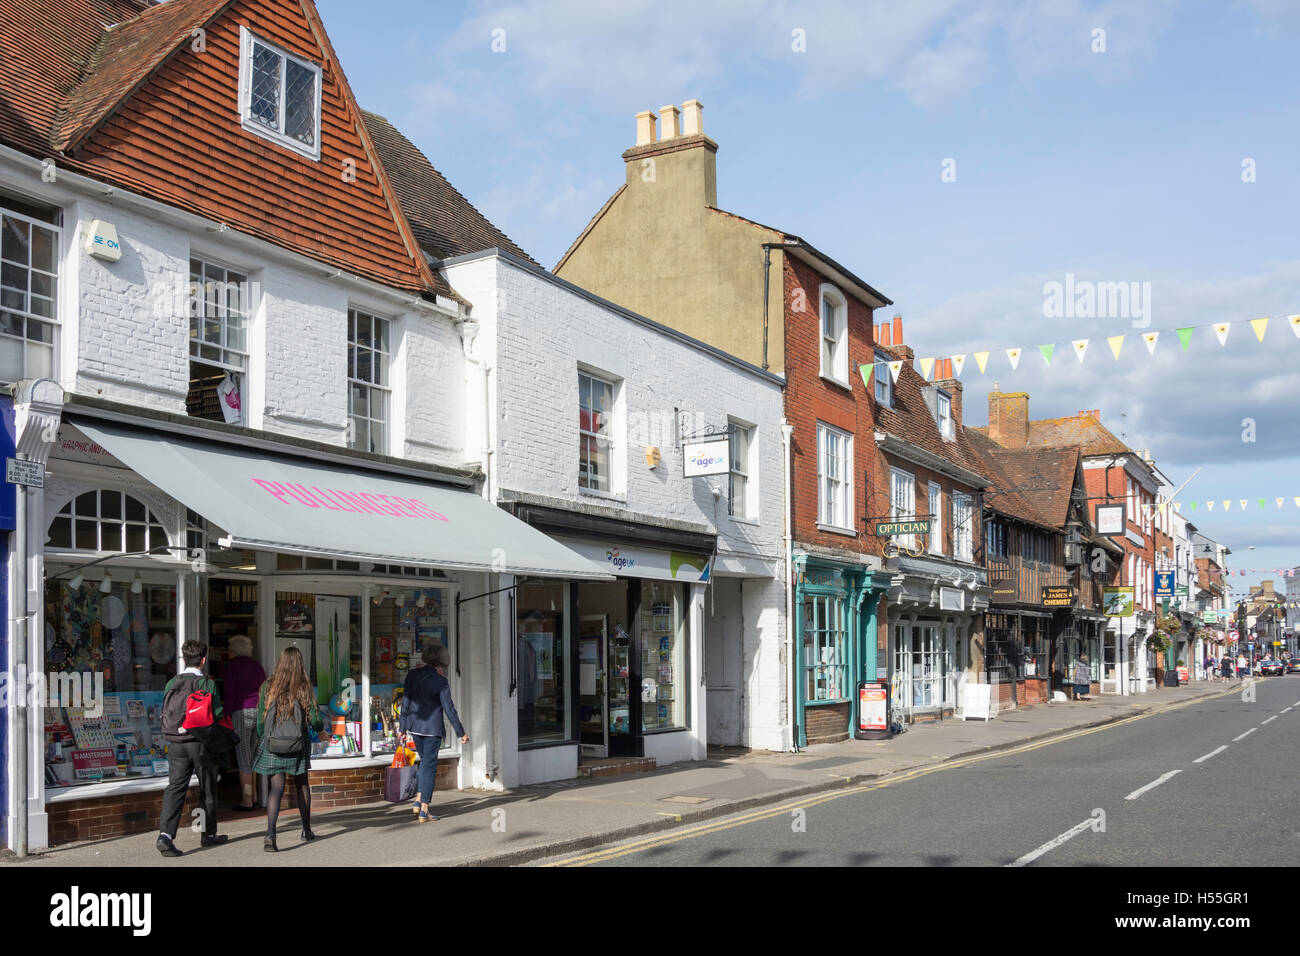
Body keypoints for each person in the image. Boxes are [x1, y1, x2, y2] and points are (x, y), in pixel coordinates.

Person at [157, 640, 227, 857]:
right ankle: (207, 834)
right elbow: (216, 714)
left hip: (175, 743)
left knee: (175, 788)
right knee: (207, 787)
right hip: (200, 743)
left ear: (184, 659)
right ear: (203, 660)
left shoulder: (172, 683)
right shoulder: (207, 684)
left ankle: (165, 836)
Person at [254, 645, 323, 851]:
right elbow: (316, 719)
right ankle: (306, 830)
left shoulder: (268, 686)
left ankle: (270, 835)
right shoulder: (303, 686)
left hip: (273, 743)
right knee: (302, 785)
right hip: (297, 742)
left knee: (276, 788)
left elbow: (260, 720)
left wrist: (263, 738)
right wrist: (320, 730)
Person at [399, 644, 469, 822]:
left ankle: (417, 801)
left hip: (415, 727)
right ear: (442, 660)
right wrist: (461, 733)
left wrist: (402, 728)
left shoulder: (413, 675)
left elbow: (405, 702)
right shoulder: (440, 681)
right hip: (432, 730)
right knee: (429, 767)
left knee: (424, 765)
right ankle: (425, 810)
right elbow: (449, 709)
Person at [223, 634, 266, 812]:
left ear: (236, 650)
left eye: (230, 649)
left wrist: (225, 715)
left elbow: (230, 694)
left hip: (240, 712)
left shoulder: (233, 667)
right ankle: (255, 795)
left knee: (243, 756)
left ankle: (247, 799)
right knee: (254, 756)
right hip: (258, 712)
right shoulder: (257, 666)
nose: (228, 652)